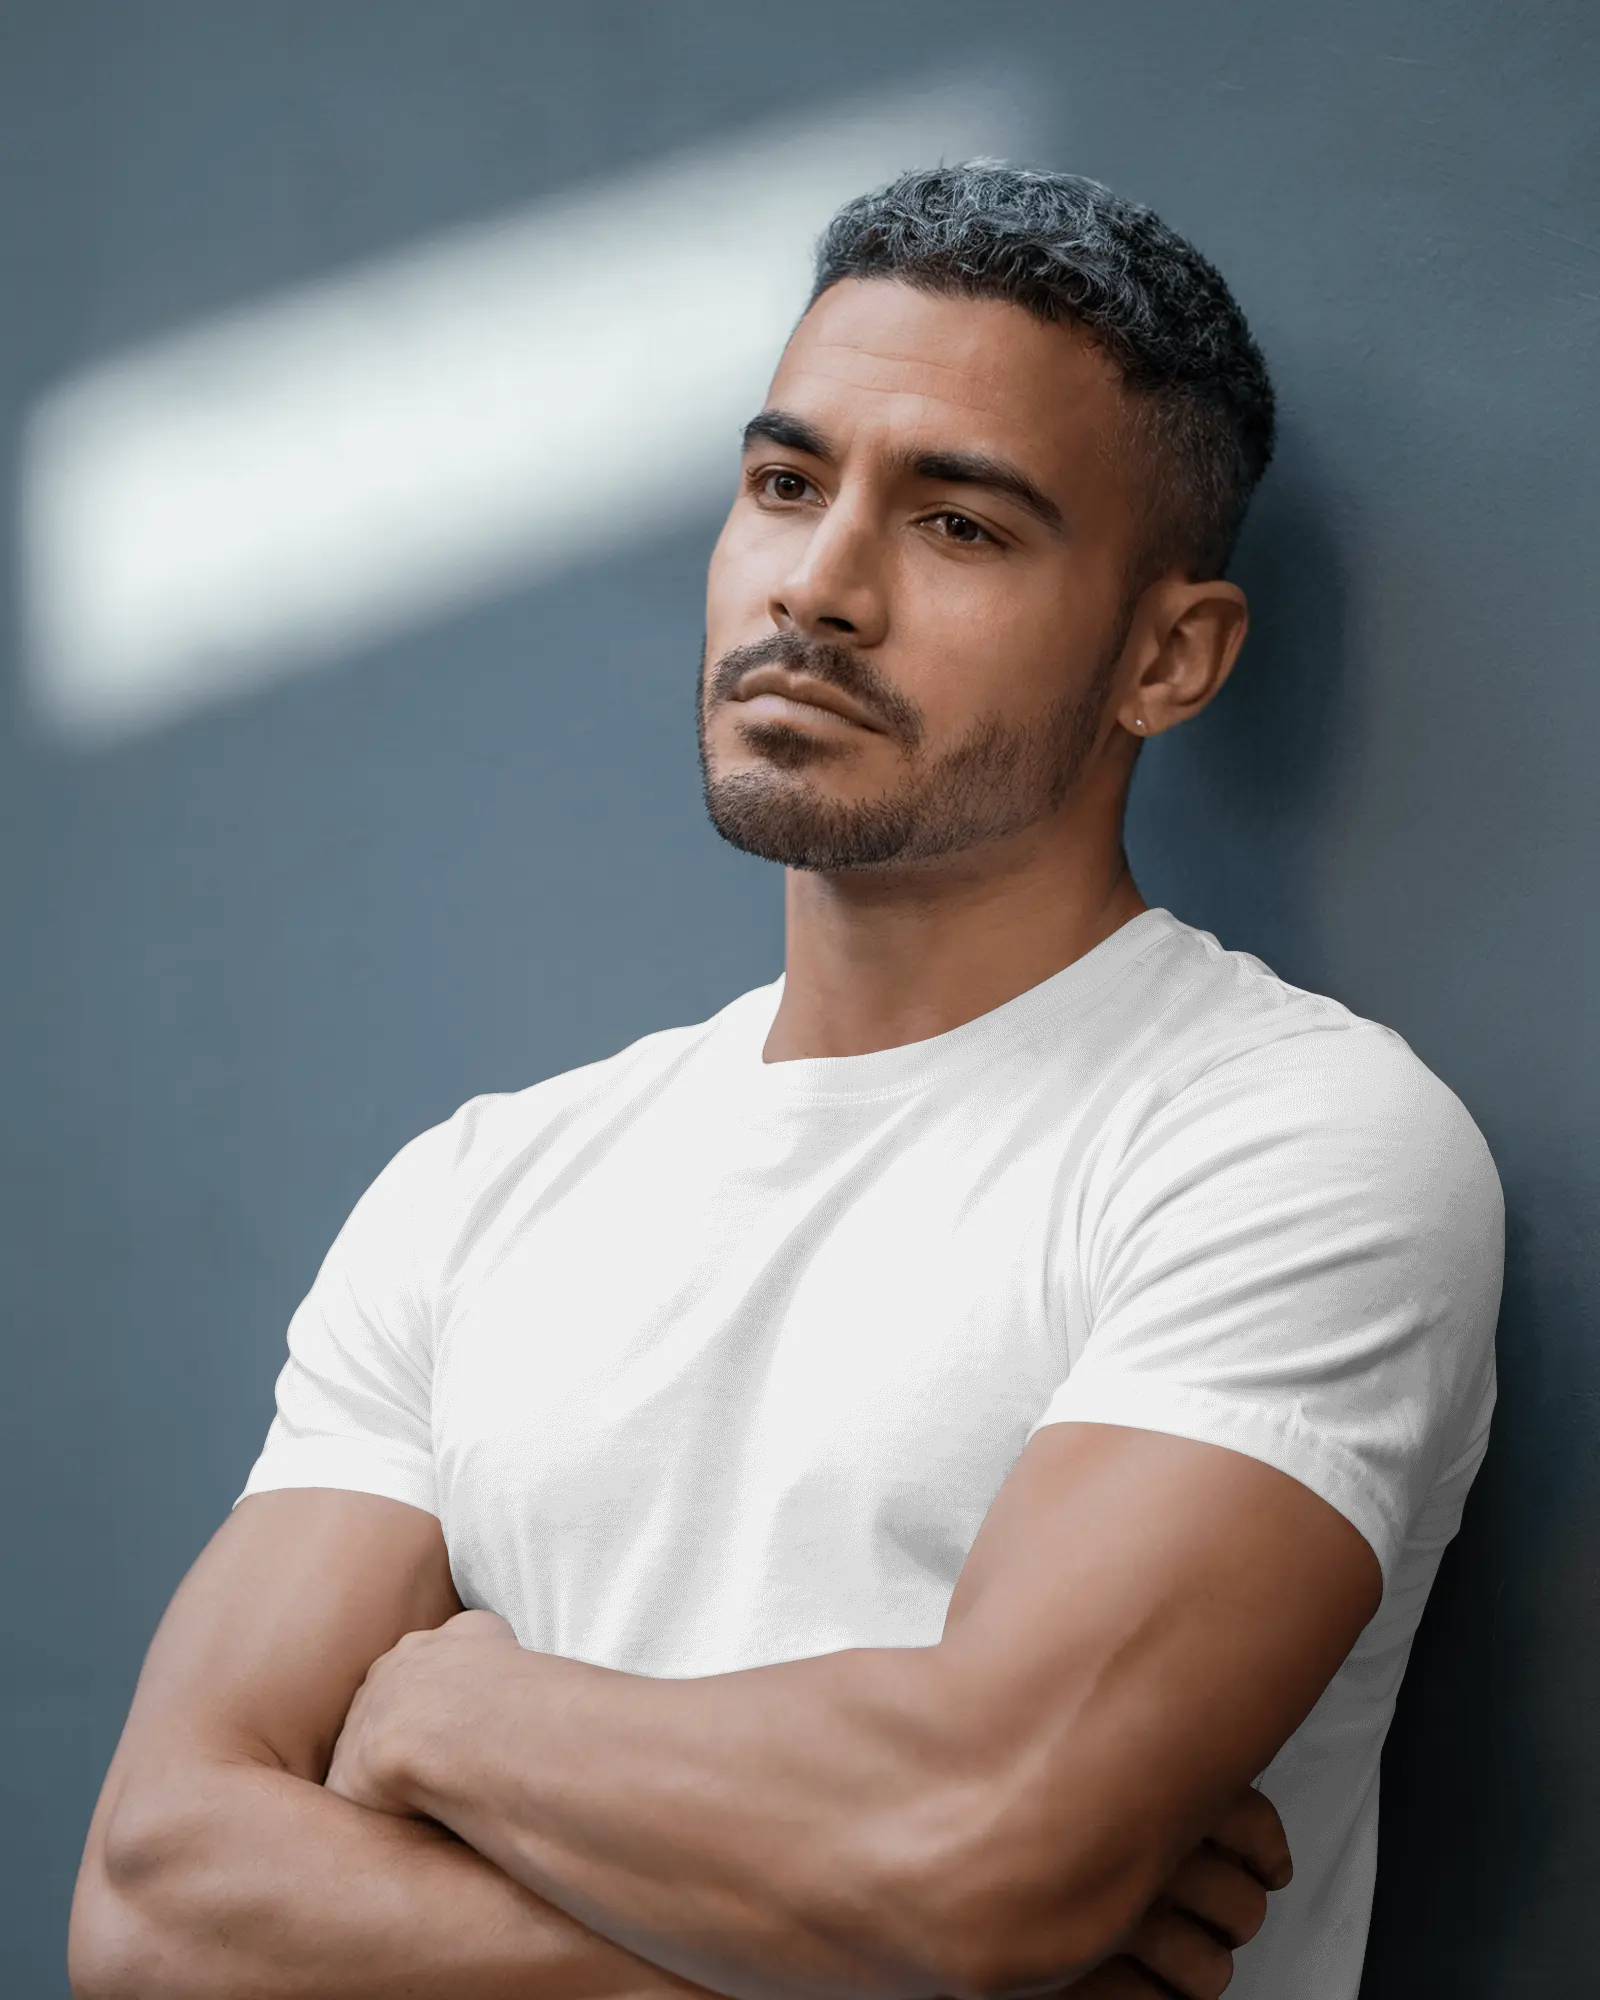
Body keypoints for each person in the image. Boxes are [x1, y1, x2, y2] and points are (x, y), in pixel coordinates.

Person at [68, 162, 1502, 2000]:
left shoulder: (1279, 1146)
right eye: (786, 484)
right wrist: (863, 1960)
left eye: (960, 525)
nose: (819, 587)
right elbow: (156, 1905)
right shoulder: (475, 1195)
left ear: (1168, 656)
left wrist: (447, 1714)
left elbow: (982, 1854)